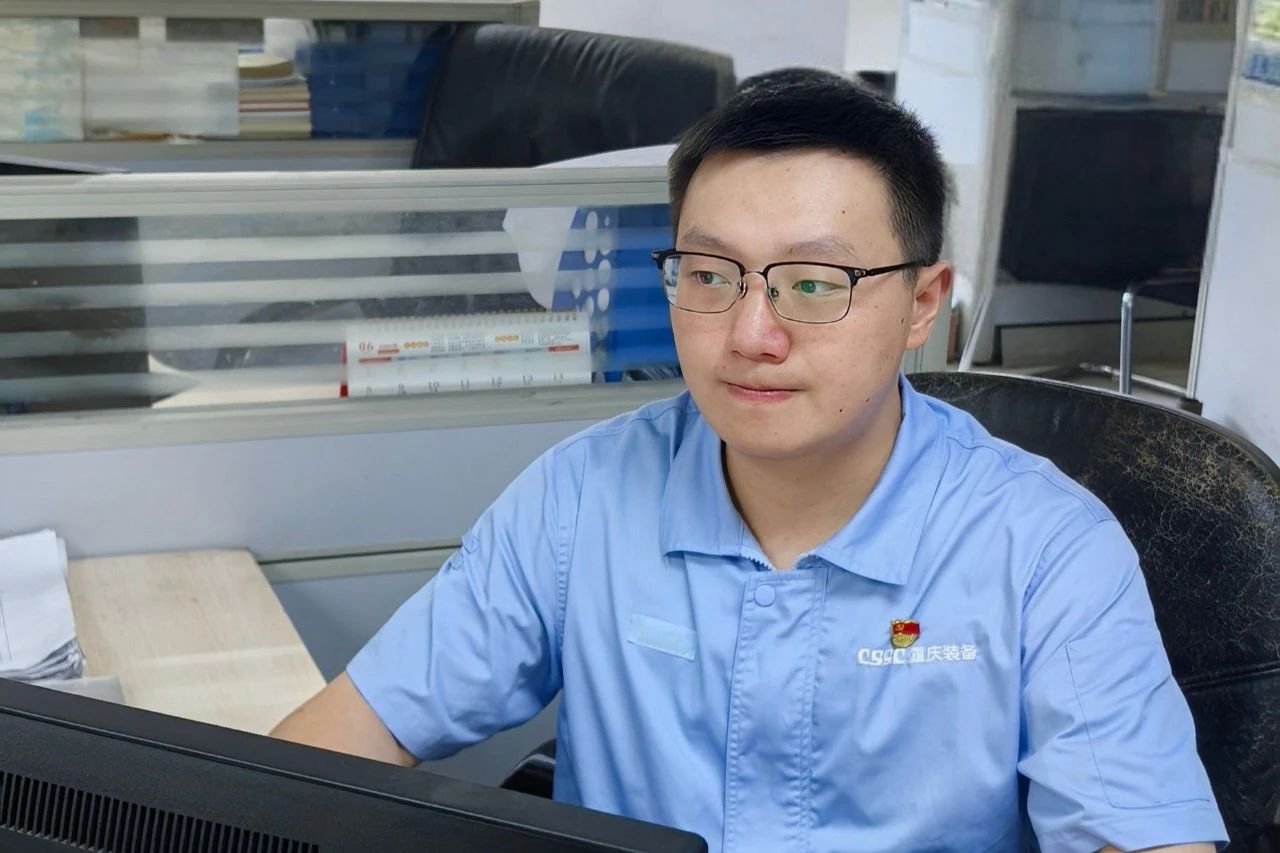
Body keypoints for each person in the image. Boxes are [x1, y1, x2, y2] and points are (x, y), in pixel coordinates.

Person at [272, 72, 1227, 853]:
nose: (751, 334)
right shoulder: (584, 496)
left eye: (813, 283)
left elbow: (1144, 836)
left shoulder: (1047, 548)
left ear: (921, 302)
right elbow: (344, 739)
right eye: (709, 274)